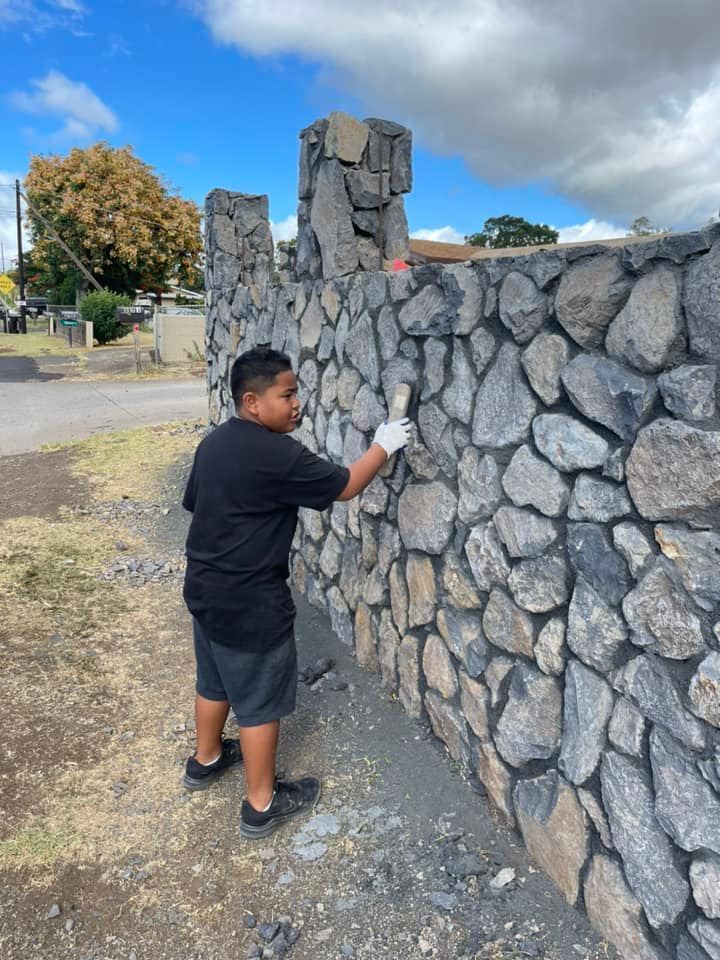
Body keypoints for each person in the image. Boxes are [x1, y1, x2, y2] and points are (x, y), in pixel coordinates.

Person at [181, 346, 412, 839]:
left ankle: (206, 759)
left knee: (215, 679)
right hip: (250, 599)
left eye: (296, 393)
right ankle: (261, 805)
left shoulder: (214, 443)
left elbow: (195, 503)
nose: (296, 404)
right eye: (286, 395)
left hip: (204, 588)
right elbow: (346, 485)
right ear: (251, 402)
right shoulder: (277, 454)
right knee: (259, 702)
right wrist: (384, 445)